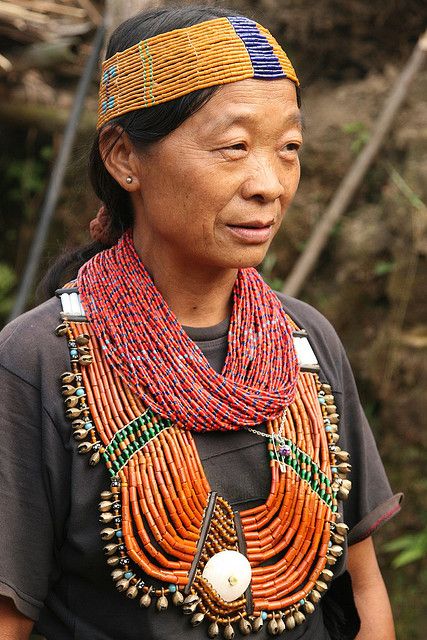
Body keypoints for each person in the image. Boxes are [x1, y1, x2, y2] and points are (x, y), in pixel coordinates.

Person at [0, 5, 402, 640]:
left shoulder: (307, 343)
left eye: (289, 148)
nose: (269, 183)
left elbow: (365, 591)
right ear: (124, 156)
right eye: (234, 147)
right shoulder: (38, 362)